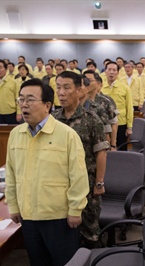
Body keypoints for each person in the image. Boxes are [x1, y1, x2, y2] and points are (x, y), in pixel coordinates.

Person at [5, 79, 89, 266]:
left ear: (47, 105)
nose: (24, 104)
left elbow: (78, 176)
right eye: (21, 99)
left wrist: (75, 210)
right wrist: (14, 206)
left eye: (30, 100)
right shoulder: (16, 134)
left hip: (58, 217)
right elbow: (11, 173)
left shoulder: (66, 135)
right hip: (29, 216)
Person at [52, 71, 109, 248]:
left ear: (79, 90)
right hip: (60, 184)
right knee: (63, 232)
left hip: (87, 183)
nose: (61, 93)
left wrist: (99, 183)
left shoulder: (91, 120)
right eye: (58, 88)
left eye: (66, 88)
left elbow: (101, 153)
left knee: (89, 232)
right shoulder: (53, 120)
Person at [101, 61, 133, 148]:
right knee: (106, 149)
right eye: (109, 70)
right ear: (105, 71)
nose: (111, 72)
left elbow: (129, 108)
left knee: (122, 148)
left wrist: (129, 127)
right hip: (104, 123)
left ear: (118, 73)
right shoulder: (100, 88)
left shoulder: (125, 88)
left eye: (114, 70)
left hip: (121, 123)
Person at [0, 59, 22, 124]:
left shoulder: (14, 82)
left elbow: (18, 99)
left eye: (0, 67)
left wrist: (19, 113)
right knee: (1, 133)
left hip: (12, 113)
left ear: (6, 69)